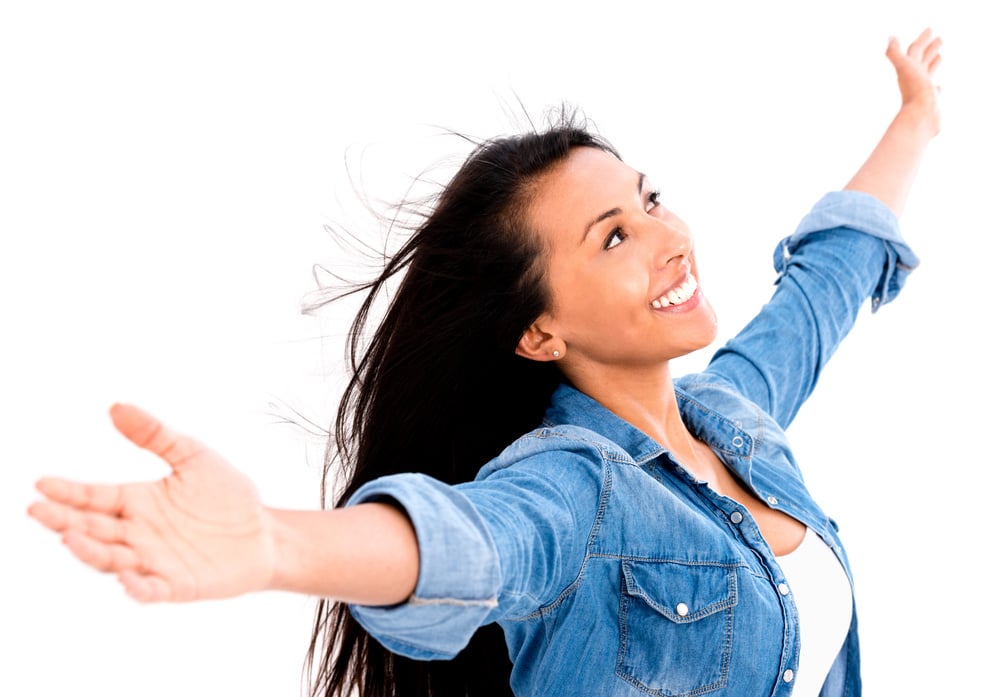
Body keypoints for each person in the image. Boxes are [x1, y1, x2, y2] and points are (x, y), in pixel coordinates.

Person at [28, 28, 942, 697]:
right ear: (539, 331)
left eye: (650, 198)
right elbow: (474, 539)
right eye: (615, 235)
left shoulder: (733, 416)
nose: (668, 236)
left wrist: (916, 120)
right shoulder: (575, 488)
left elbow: (824, 288)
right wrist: (275, 543)